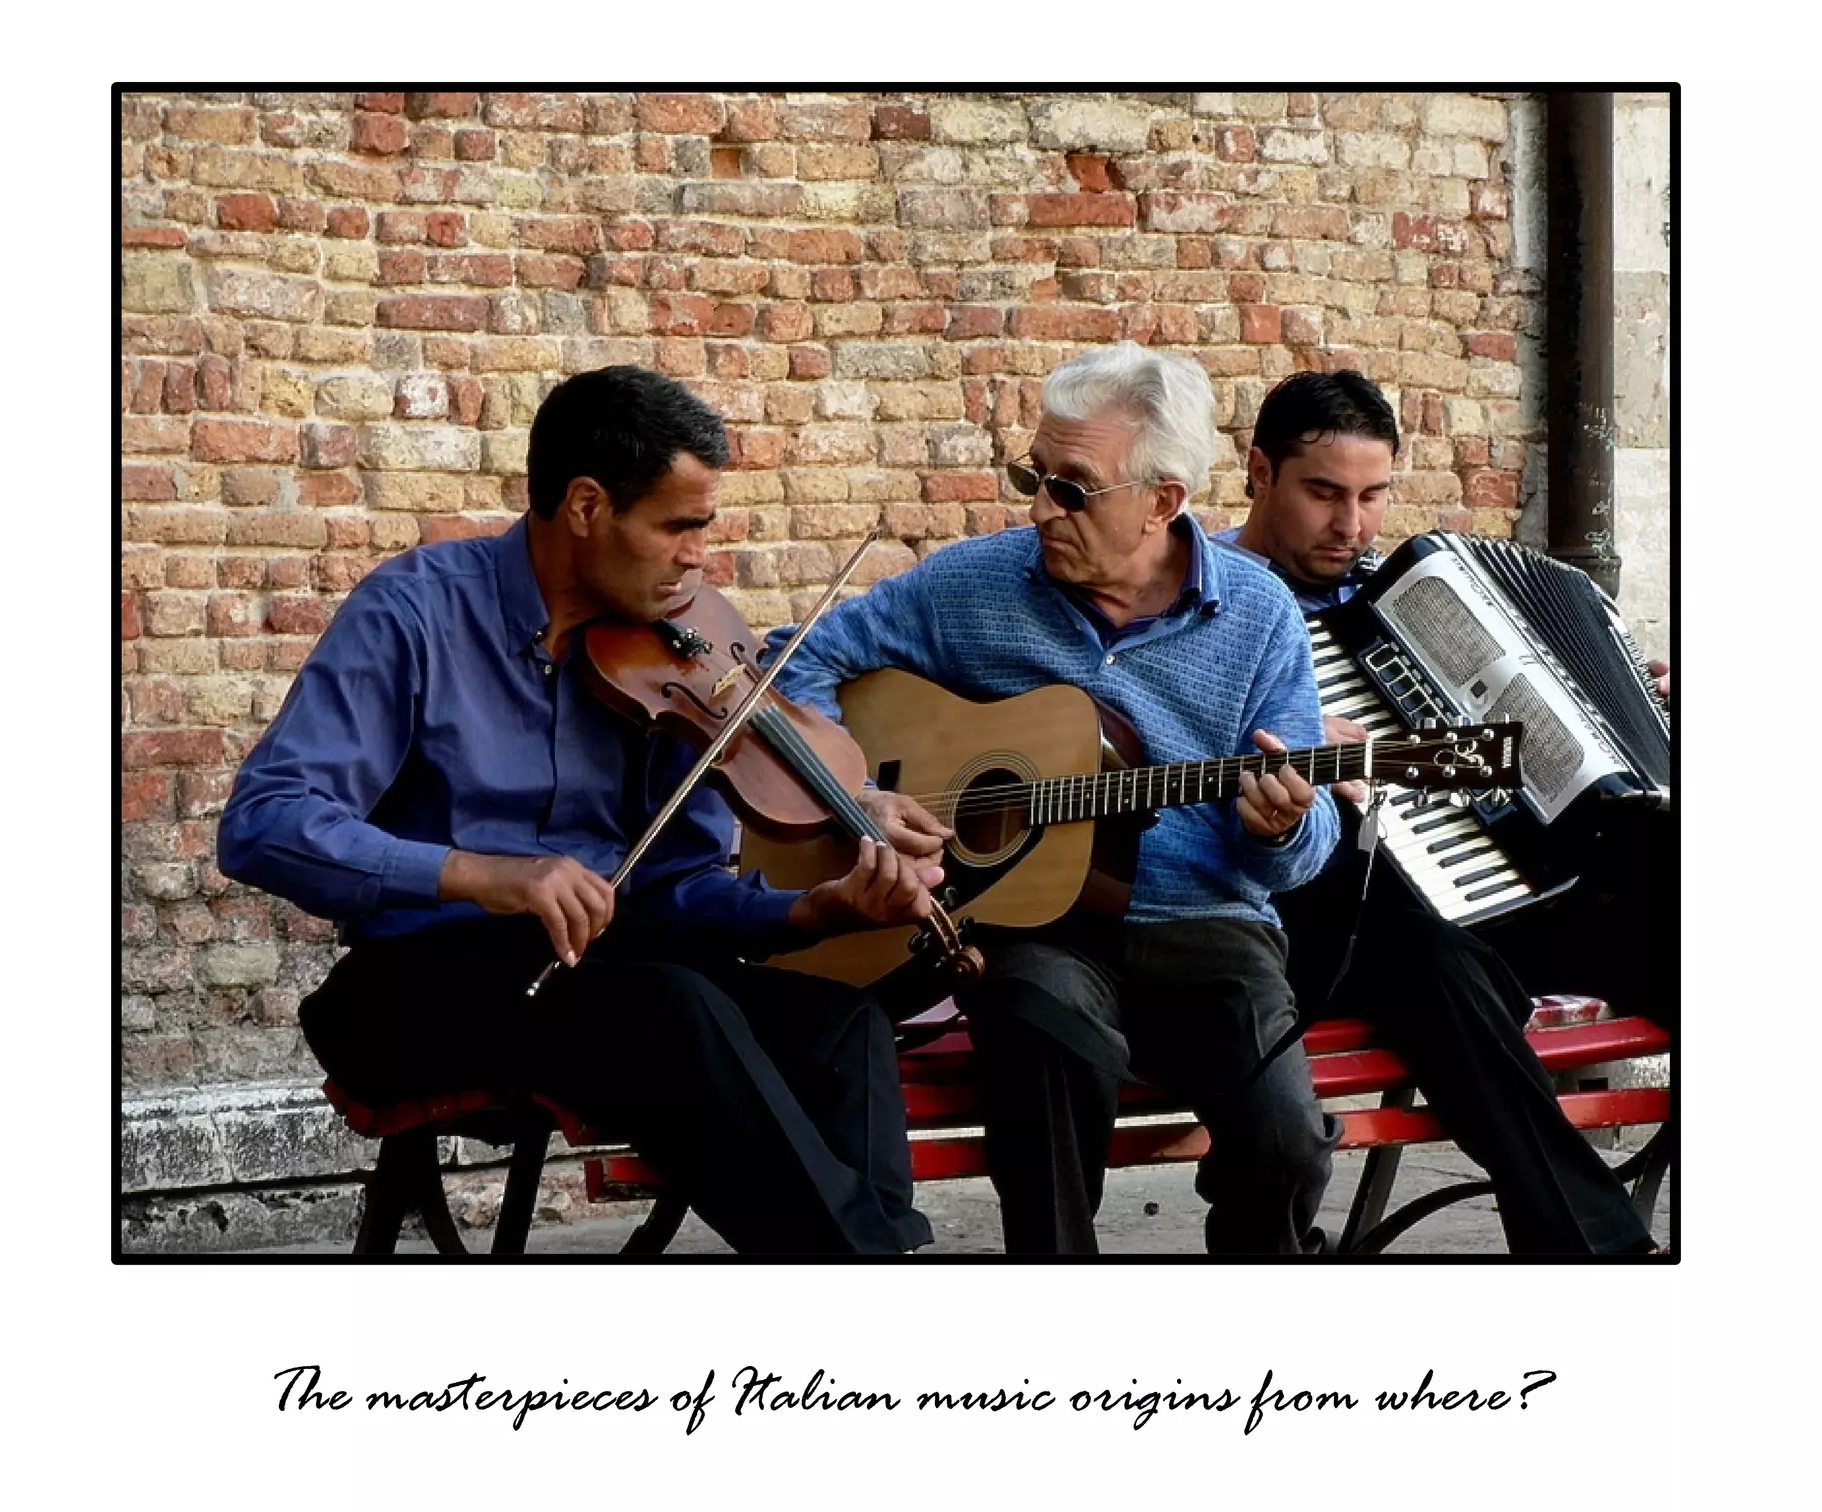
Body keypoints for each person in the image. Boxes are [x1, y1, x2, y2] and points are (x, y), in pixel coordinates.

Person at [218, 364, 947, 1256]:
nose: (697, 558)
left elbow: (674, 888)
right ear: (588, 506)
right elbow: (264, 819)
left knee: (840, 1025)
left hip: (607, 977)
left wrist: (810, 910)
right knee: (672, 1007)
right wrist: (485, 874)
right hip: (422, 981)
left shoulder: (668, 658)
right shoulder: (412, 612)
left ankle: (875, 1261)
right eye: (678, 526)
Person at [766, 340, 1342, 1255]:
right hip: (1042, 928)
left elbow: (1305, 849)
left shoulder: (1261, 611)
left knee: (1285, 1141)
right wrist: (859, 791)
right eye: (1035, 477)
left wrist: (1285, 825)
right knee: (1037, 1033)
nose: (1040, 509)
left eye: (1072, 488)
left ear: (1164, 501)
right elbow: (795, 664)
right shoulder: (978, 581)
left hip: (1207, 924)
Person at [1218, 368, 1672, 1254]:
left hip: (1506, 890)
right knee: (1434, 960)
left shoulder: (1411, 589)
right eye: (1323, 494)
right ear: (1259, 472)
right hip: (1338, 901)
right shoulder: (1209, 594)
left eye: (1373, 496)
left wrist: (1655, 712)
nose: (1352, 525)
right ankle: (1604, 1254)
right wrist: (1285, 727)